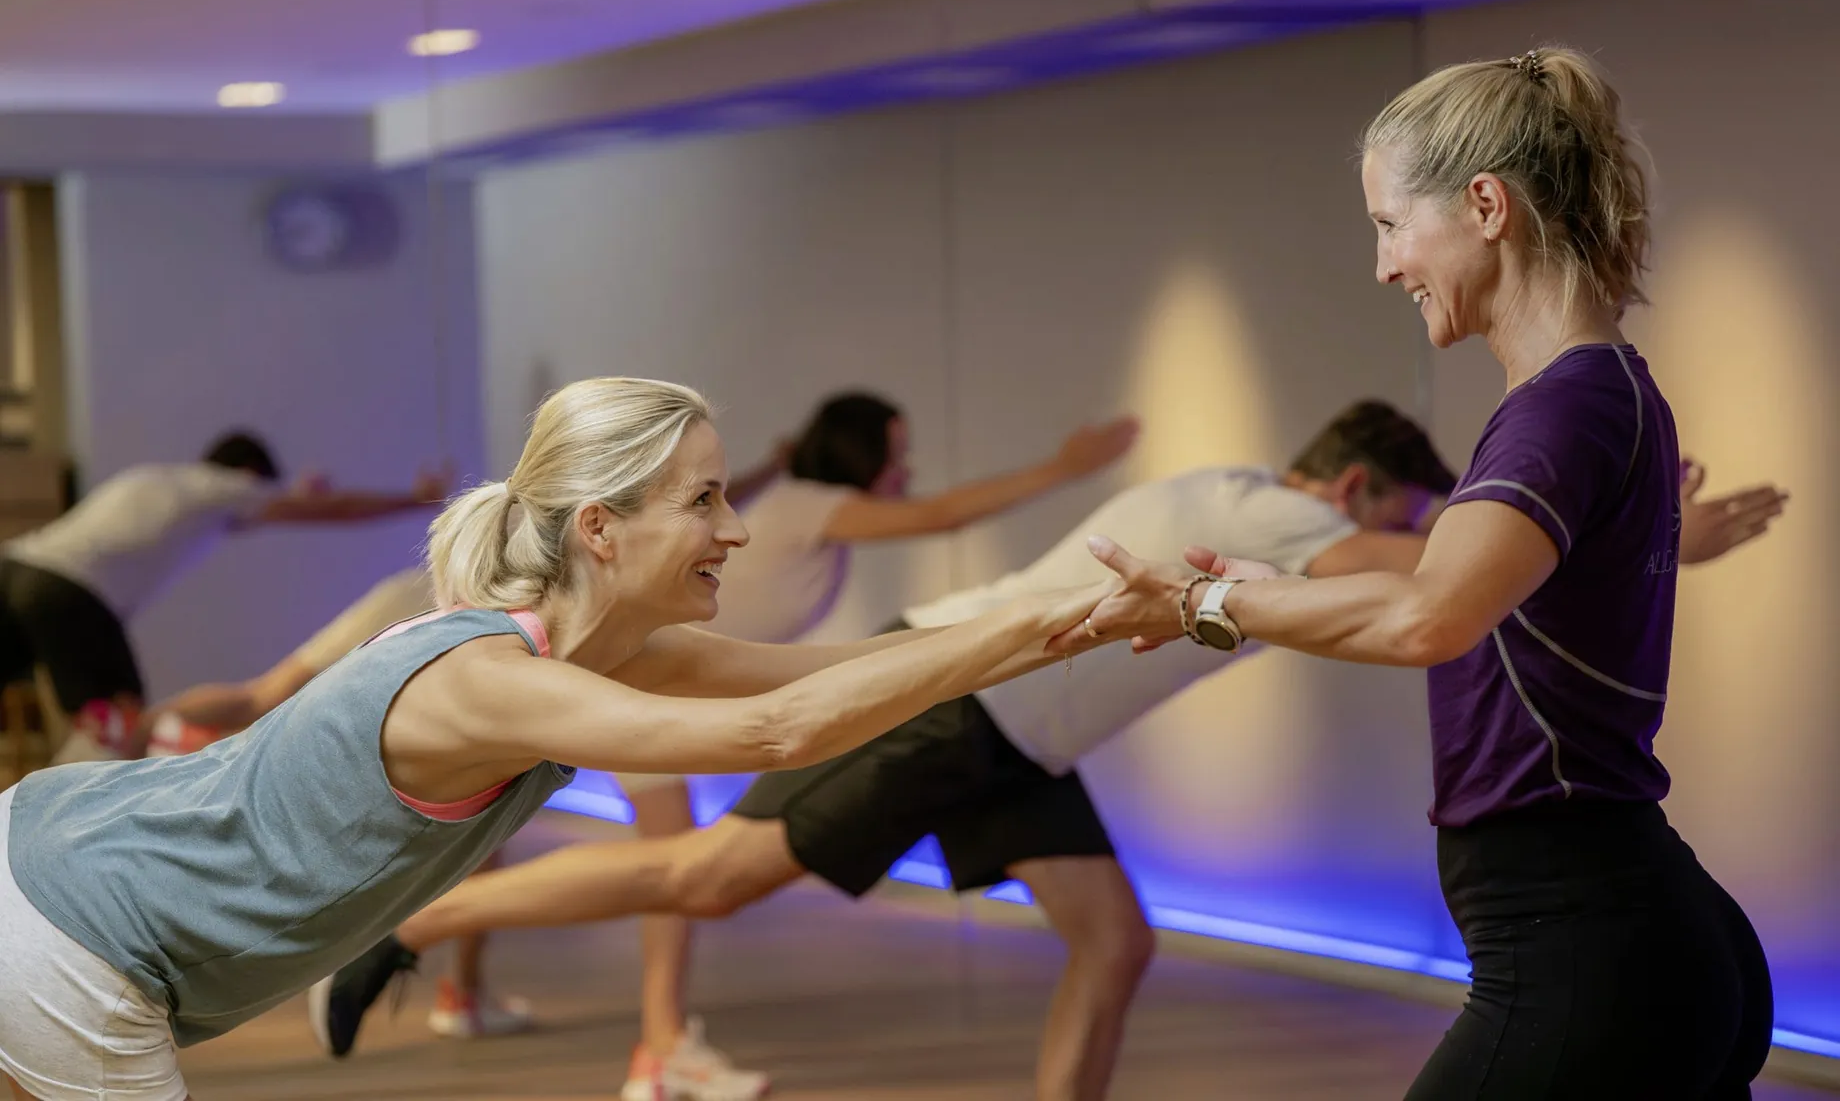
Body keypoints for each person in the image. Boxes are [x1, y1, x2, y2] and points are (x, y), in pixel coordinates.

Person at [315, 398, 1781, 1101]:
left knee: (1117, 941)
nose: (1426, 530)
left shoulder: (1243, 491)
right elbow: (1430, 583)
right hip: (955, 709)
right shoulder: (1286, 518)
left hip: (1015, 734)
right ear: (1350, 484)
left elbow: (1421, 573)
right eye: (1408, 506)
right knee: (701, 881)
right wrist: (1640, 536)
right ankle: (414, 920)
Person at [0, 376, 1155, 1101]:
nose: (736, 528)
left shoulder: (606, 656)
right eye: (704, 500)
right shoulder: (489, 679)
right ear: (600, 528)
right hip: (75, 935)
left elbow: (832, 672)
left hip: (51, 862)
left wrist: (1072, 621)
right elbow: (779, 730)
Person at [1059, 48, 1785, 1098]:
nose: (1384, 265)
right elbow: (1446, 602)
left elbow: (1425, 622)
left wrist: (1200, 603)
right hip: (1630, 928)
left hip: (1583, 941)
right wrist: (1273, 590)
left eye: (1391, 225)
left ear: (1485, 205)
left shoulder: (1563, 408)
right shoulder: (1589, 389)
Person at [601, 390, 1137, 1101]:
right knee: (672, 875)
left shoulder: (801, 505)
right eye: (897, 452)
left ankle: (588, 1025)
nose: (905, 469)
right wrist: (1062, 468)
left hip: (661, 685)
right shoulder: (812, 502)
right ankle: (658, 1050)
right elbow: (941, 516)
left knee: (669, 871)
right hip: (646, 686)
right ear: (863, 454)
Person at [136, 566, 533, 1042]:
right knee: (489, 809)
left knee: (259, 698)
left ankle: (127, 732)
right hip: (451, 668)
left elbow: (258, 698)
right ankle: (459, 991)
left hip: (419, 622)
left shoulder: (413, 589)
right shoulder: (514, 606)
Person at [0, 432, 448, 761]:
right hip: (67, 589)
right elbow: (333, 509)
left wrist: (294, 494)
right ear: (252, 475)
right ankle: (58, 839)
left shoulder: (162, 480)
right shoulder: (230, 488)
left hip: (13, 569)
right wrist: (415, 500)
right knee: (120, 722)